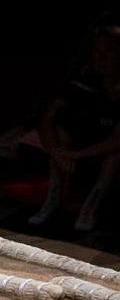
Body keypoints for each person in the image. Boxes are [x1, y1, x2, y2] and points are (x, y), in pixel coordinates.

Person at [30, 22, 120, 231]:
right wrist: (58, 151)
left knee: (116, 155)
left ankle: (92, 204)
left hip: (105, 156)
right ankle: (53, 198)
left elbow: (118, 139)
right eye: (97, 51)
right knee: (59, 135)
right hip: (78, 152)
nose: (102, 58)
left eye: (109, 52)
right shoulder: (81, 80)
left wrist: (76, 155)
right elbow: (48, 119)